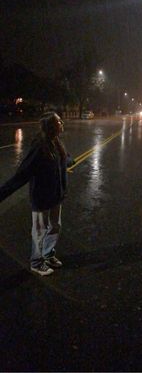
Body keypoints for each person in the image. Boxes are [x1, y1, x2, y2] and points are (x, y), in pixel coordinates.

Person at [0, 111, 74, 276]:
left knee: (55, 226)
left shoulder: (57, 143)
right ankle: (36, 262)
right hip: (41, 197)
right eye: (59, 121)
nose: (62, 123)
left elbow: (64, 159)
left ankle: (48, 254)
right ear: (52, 126)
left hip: (56, 196)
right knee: (39, 230)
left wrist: (69, 161)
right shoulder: (40, 147)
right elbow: (22, 174)